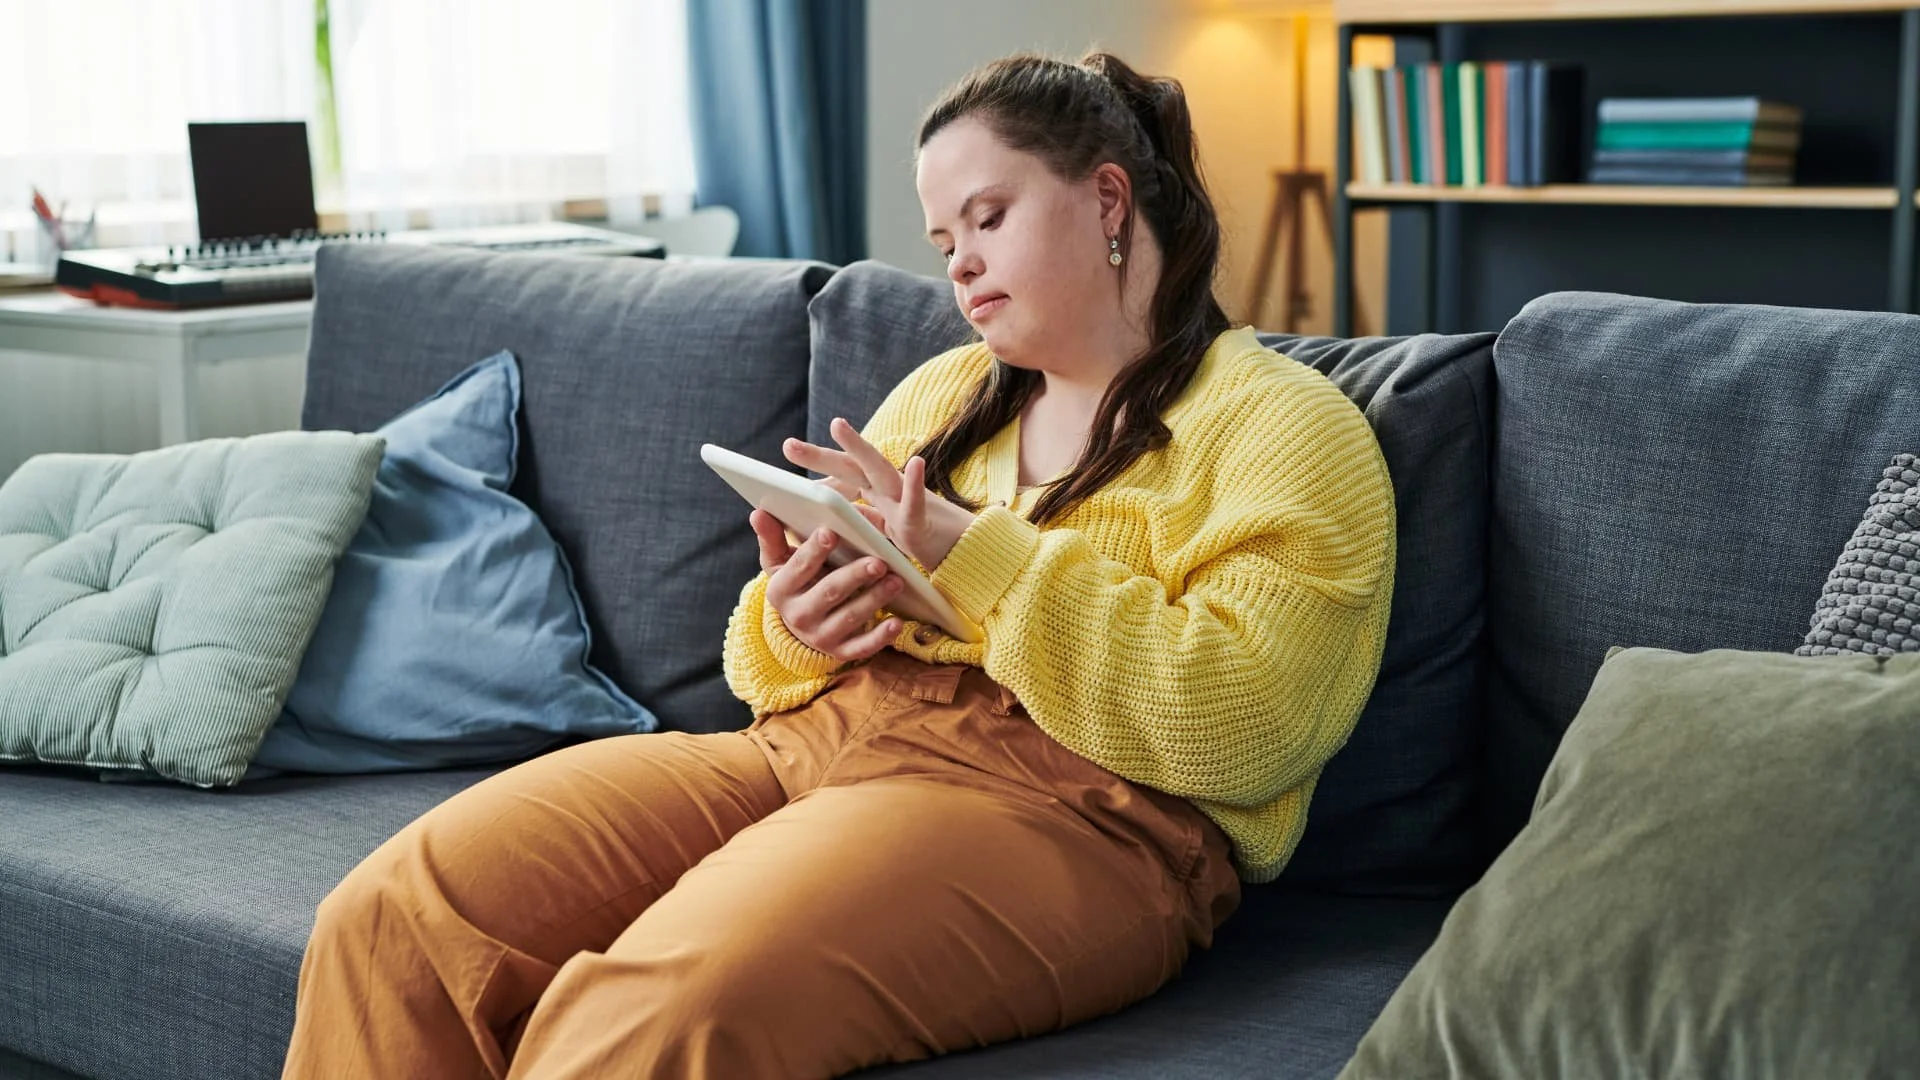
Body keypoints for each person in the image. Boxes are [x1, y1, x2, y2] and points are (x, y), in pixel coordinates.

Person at [281, 49, 1395, 1080]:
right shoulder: (946, 396)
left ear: (1108, 200)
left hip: (1076, 815)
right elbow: (763, 673)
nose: (959, 261)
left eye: (987, 217)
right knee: (395, 916)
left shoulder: (1284, 426)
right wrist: (795, 621)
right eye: (942, 239)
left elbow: (1248, 725)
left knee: (666, 1007)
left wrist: (980, 558)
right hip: (811, 746)